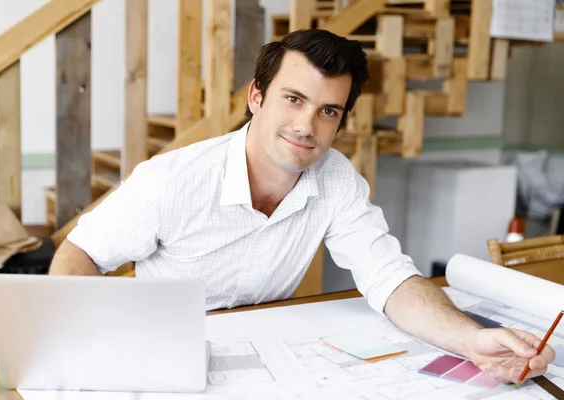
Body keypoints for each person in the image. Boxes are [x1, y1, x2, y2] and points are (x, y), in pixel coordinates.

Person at [49, 29, 554, 384]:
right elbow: (79, 254)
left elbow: (390, 279)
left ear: (339, 122)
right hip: (166, 352)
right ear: (256, 97)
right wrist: (105, 344)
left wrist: (471, 340)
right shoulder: (171, 180)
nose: (307, 126)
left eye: (327, 110)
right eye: (293, 99)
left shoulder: (337, 180)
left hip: (267, 352)